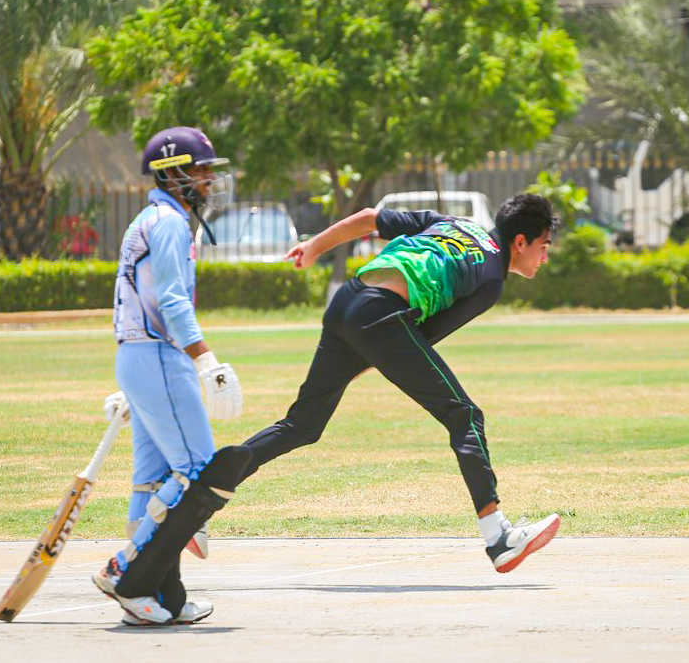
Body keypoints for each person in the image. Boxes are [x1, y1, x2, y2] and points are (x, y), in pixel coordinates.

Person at [234, 193, 562, 572]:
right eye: (543, 247)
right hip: (382, 317)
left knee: (301, 425)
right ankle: (497, 535)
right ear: (520, 242)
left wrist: (313, 247)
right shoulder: (490, 278)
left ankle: (202, 496)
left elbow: (369, 218)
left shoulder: (452, 223)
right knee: (464, 415)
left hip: (349, 299)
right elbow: (424, 336)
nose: (544, 258)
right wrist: (373, 355)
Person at [92, 125, 250, 626]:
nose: (209, 179)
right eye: (201, 170)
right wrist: (206, 360)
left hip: (140, 357)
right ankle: (125, 570)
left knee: (152, 480)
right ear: (173, 173)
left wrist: (136, 379)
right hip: (159, 356)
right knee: (199, 472)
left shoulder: (152, 218)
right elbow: (171, 299)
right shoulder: (169, 223)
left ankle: (162, 597)